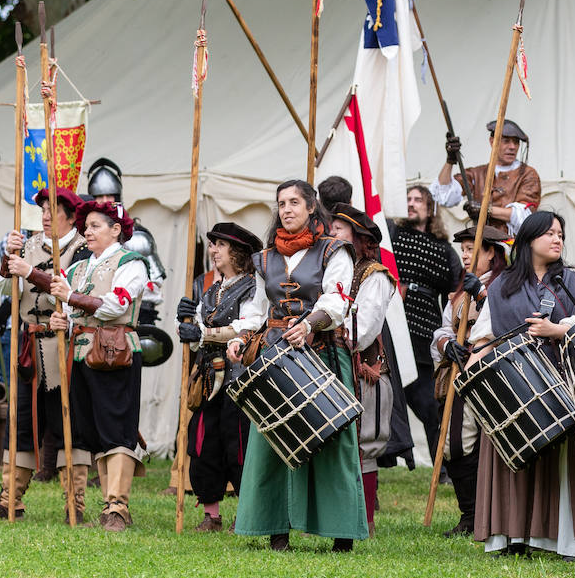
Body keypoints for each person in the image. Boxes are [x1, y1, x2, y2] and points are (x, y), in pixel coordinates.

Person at [226, 180, 368, 552]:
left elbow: (338, 300)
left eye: (294, 202)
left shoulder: (334, 251)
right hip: (274, 354)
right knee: (273, 436)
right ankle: (276, 530)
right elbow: (256, 308)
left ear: (310, 208)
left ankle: (342, 534)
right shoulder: (264, 257)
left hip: (321, 352)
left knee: (332, 438)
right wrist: (241, 337)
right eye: (281, 204)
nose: (286, 209)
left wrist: (309, 324)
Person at [464, 210, 575, 559]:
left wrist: (556, 330)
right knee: (510, 457)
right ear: (528, 240)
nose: (557, 239)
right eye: (549, 233)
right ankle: (511, 535)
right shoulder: (501, 286)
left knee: (563, 462)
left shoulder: (572, 284)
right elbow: (484, 338)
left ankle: (567, 541)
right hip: (511, 389)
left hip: (561, 387)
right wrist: (469, 373)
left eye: (560, 234)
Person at [0, 187, 93, 521]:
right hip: (29, 348)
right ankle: (9, 500)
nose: (45, 216)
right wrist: (10, 260)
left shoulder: (83, 251)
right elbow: (3, 288)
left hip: (66, 347)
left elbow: (71, 290)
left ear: (69, 214)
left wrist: (29, 271)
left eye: (52, 210)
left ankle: (73, 504)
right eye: (43, 210)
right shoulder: (28, 247)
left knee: (70, 426)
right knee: (19, 423)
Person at [47, 200, 149, 531]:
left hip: (115, 354)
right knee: (83, 429)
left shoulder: (132, 263)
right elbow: (59, 297)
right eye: (86, 226)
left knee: (116, 427)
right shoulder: (78, 267)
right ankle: (88, 506)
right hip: (79, 355)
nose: (86, 232)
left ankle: (117, 509)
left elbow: (114, 305)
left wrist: (71, 298)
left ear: (116, 229)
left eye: (95, 226)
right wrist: (62, 319)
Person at [174, 222, 261, 532]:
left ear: (236, 252)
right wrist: (185, 324)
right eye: (211, 244)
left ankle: (248, 511)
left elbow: (246, 327)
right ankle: (211, 513)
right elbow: (196, 336)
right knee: (203, 441)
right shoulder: (211, 289)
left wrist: (203, 332)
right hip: (209, 378)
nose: (212, 250)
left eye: (219, 245)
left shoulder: (253, 287)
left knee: (239, 442)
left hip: (240, 378)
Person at [328, 205, 399, 540]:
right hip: (332, 367)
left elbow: (363, 331)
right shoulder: (329, 270)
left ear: (358, 238)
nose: (331, 234)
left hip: (363, 373)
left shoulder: (376, 276)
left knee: (364, 444)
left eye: (339, 230)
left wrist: (333, 336)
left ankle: (364, 521)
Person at [432, 224, 507, 538]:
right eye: (462, 249)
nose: (465, 255)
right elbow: (444, 328)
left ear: (491, 254)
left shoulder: (506, 284)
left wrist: (483, 294)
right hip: (460, 375)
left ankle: (490, 517)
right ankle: (470, 515)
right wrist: (446, 343)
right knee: (456, 446)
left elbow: (506, 321)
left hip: (493, 376)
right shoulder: (460, 290)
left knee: (486, 447)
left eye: (472, 249)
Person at [392, 184, 462, 464]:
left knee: (430, 405)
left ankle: (441, 466)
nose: (411, 203)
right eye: (407, 198)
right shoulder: (392, 236)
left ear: (430, 207)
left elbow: (456, 293)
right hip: (393, 327)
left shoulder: (443, 249)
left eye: (418, 199)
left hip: (423, 332)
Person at [85, 158, 164, 327]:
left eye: (109, 195)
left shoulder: (137, 237)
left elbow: (154, 286)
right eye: (99, 196)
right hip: (91, 318)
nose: (105, 201)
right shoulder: (85, 236)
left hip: (132, 318)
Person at [432, 119, 542, 237]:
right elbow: (444, 195)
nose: (512, 147)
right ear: (492, 141)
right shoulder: (477, 173)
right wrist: (450, 160)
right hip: (482, 245)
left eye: (516, 142)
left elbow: (525, 215)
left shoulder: (527, 174)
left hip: (513, 246)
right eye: (506, 141)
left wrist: (486, 210)